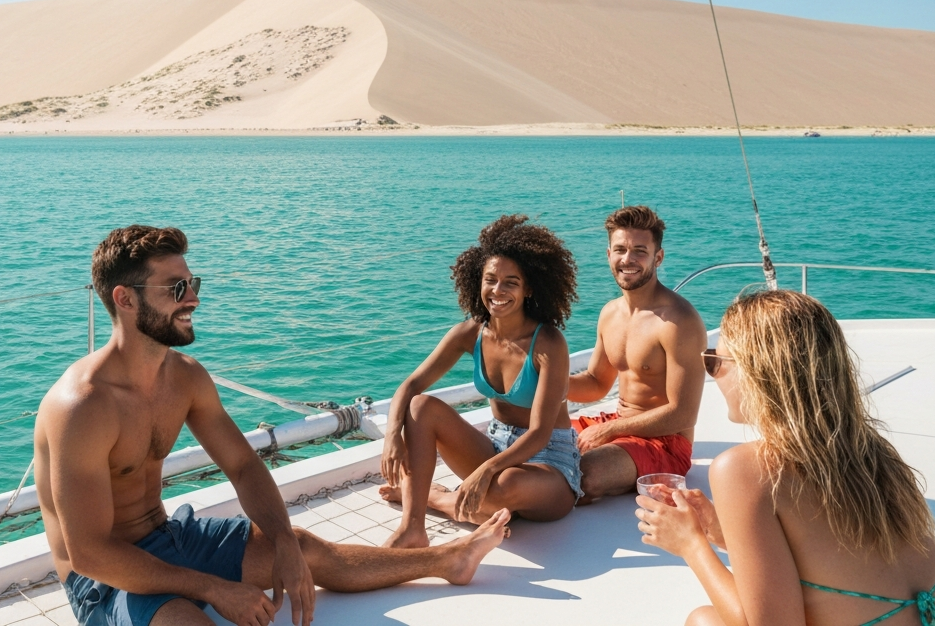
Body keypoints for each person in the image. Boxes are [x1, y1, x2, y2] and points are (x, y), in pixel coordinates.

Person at [35, 225, 511, 626]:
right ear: (125, 299)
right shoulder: (83, 407)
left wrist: (282, 540)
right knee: (185, 619)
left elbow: (242, 466)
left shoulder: (184, 377)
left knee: (303, 547)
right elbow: (90, 554)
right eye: (175, 288)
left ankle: (448, 560)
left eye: (192, 282)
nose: (194, 299)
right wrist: (216, 589)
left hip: (169, 539)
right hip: (104, 579)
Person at [637, 290, 935, 626]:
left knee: (703, 622)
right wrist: (722, 535)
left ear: (758, 373)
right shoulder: (872, 451)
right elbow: (841, 563)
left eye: (716, 363)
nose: (713, 374)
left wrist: (691, 545)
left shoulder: (743, 469)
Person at [377, 215, 582, 548]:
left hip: (548, 462)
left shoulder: (549, 344)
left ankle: (435, 498)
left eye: (510, 282)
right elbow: (411, 386)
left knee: (504, 487)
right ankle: (412, 528)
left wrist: (486, 470)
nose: (497, 291)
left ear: (529, 288)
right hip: (495, 444)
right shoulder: (470, 333)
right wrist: (392, 436)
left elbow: (540, 432)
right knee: (421, 407)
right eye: (490, 280)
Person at [567, 206, 707, 502]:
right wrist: (542, 379)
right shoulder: (610, 313)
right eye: (620, 249)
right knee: (531, 439)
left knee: (583, 474)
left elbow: (683, 413)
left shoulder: (678, 320)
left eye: (639, 251)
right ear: (608, 254)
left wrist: (608, 431)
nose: (627, 259)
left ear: (658, 257)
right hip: (617, 424)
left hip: (665, 443)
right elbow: (595, 382)